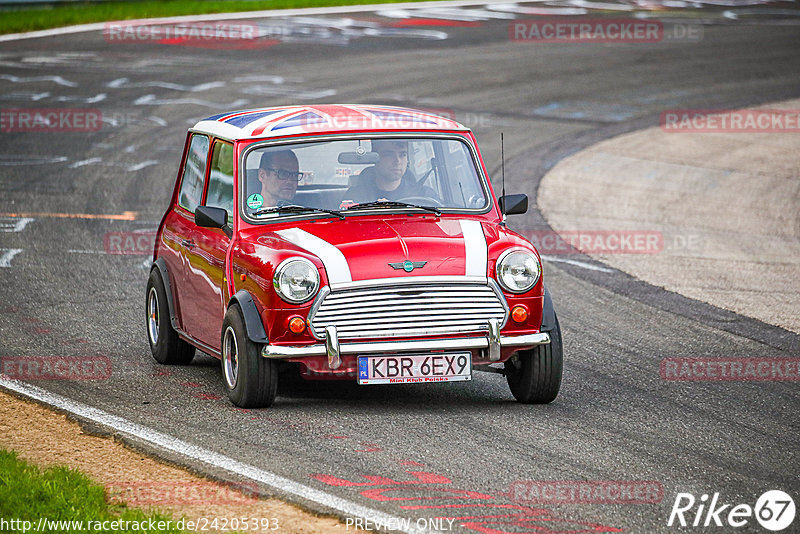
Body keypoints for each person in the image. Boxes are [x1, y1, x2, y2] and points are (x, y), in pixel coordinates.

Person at [343, 140, 434, 204]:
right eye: (389, 154)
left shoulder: (424, 195)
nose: (397, 161)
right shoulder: (355, 196)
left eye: (403, 154)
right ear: (376, 158)